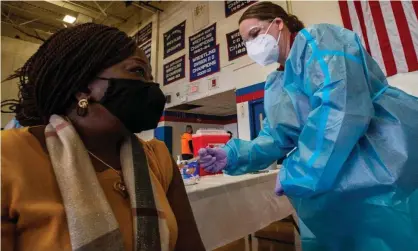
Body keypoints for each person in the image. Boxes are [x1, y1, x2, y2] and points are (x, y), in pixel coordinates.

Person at [198, 2, 418, 251]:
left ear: (278, 24)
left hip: (384, 163)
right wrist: (233, 154)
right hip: (333, 188)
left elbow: (341, 108)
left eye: (255, 34)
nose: (251, 45)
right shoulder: (277, 84)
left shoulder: (319, 41)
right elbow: (275, 137)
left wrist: (298, 171)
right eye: (245, 40)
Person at [1, 23, 205, 251]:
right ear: (83, 88)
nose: (150, 86)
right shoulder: (9, 158)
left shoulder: (158, 159)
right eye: (138, 72)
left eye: (150, 77)